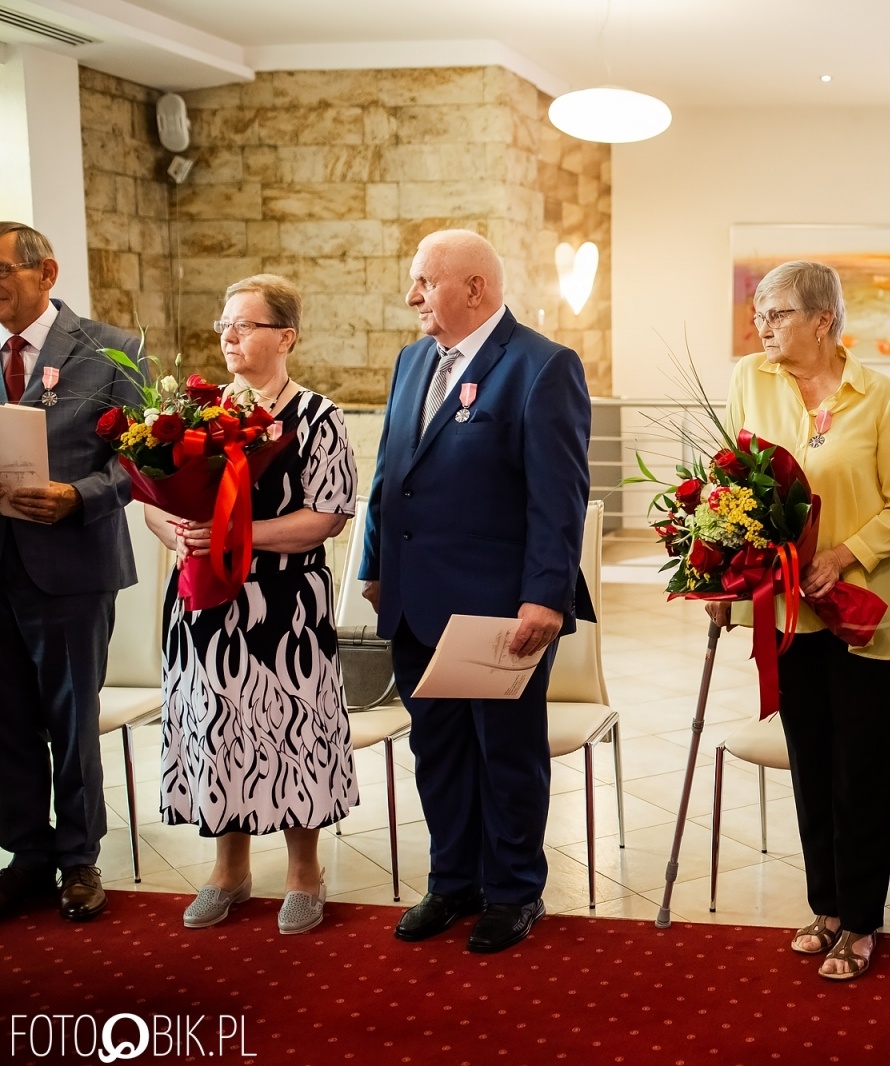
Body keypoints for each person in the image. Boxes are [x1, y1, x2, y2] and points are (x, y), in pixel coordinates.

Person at [361, 229, 592, 954]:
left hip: (499, 606)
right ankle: (451, 881)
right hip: (411, 598)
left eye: (424, 283)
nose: (412, 297)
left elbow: (560, 498)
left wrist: (545, 596)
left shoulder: (541, 366)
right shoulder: (410, 362)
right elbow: (387, 475)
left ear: (475, 290)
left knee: (506, 755)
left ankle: (515, 890)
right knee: (438, 753)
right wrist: (372, 565)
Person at [708, 261, 890, 981]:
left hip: (864, 613)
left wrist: (847, 552)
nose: (762, 327)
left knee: (859, 770)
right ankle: (826, 907)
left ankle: (862, 922)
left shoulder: (880, 397)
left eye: (776, 315)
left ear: (822, 321)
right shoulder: (752, 380)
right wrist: (721, 568)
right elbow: (734, 484)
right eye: (760, 314)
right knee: (810, 762)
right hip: (789, 610)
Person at [146, 274, 357, 935]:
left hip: (284, 607)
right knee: (217, 729)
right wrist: (179, 531)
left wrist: (239, 536)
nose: (230, 335)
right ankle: (228, 870)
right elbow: (150, 502)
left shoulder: (318, 417)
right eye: (224, 325)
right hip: (205, 604)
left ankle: (304, 873)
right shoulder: (193, 417)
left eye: (246, 324)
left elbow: (328, 515)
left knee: (291, 731)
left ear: (285, 337)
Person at [0, 222, 142, 923]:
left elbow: (144, 459)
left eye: (0, 270)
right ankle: (27, 854)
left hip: (70, 563)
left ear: (45, 272)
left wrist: (77, 496)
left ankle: (79, 858)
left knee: (71, 716)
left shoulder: (112, 349)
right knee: (8, 719)